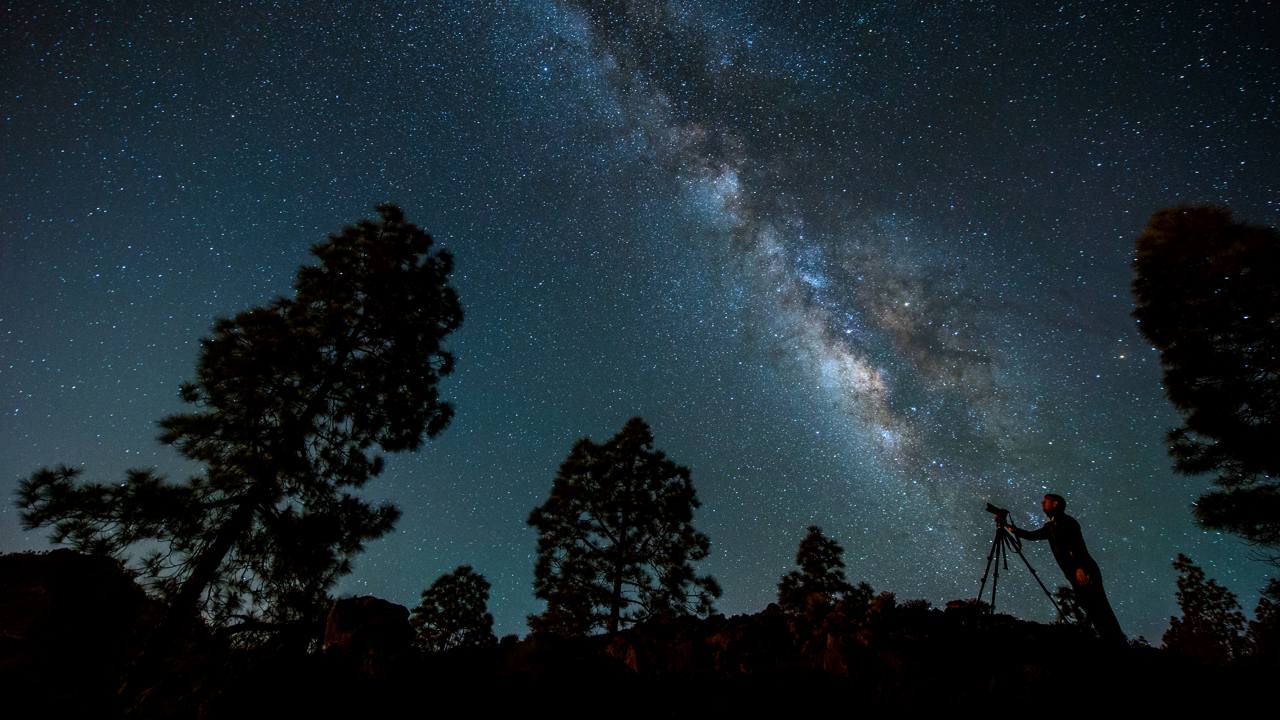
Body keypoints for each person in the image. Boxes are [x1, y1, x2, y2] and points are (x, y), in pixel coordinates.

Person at [1002, 493, 1126, 646]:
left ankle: (1117, 643)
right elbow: (1031, 535)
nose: (1042, 503)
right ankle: (1110, 641)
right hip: (1075, 572)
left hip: (1084, 571)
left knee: (1099, 607)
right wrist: (1008, 527)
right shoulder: (1051, 526)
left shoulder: (1067, 522)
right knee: (1091, 608)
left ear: (1055, 504)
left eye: (1045, 501)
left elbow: (1077, 544)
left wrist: (1080, 567)